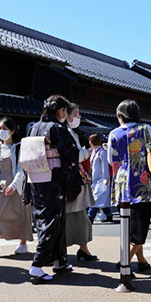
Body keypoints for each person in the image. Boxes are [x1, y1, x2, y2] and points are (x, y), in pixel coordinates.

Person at [27, 95, 81, 284]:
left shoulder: (34, 127)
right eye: (65, 111)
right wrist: (68, 177)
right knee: (51, 220)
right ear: (61, 111)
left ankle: (60, 261)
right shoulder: (57, 128)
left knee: (51, 218)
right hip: (53, 180)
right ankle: (36, 265)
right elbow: (71, 153)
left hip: (35, 179)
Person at [108, 99, 151, 272]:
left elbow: (111, 160)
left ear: (120, 115)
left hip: (121, 185)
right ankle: (124, 262)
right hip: (142, 184)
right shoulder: (145, 129)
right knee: (140, 228)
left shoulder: (113, 133)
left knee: (128, 227)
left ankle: (142, 261)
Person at [0, 117, 33, 255]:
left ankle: (23, 244)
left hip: (16, 186)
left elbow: (21, 170)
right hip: (1, 186)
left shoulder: (18, 147)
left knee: (21, 215)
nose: (1, 131)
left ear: (13, 131)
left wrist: (14, 185)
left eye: (4, 128)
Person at [63, 103, 97, 261]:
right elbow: (74, 156)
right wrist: (87, 152)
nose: (78, 117)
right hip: (72, 181)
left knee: (79, 215)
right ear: (67, 116)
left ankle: (83, 249)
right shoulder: (66, 133)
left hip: (73, 181)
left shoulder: (69, 133)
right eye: (76, 114)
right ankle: (82, 249)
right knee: (76, 215)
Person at [87, 134, 113, 223]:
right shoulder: (94, 151)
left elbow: (104, 166)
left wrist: (106, 178)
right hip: (95, 178)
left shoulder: (102, 152)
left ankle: (90, 217)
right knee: (102, 199)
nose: (89, 143)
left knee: (96, 198)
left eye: (90, 141)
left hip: (102, 179)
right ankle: (109, 215)